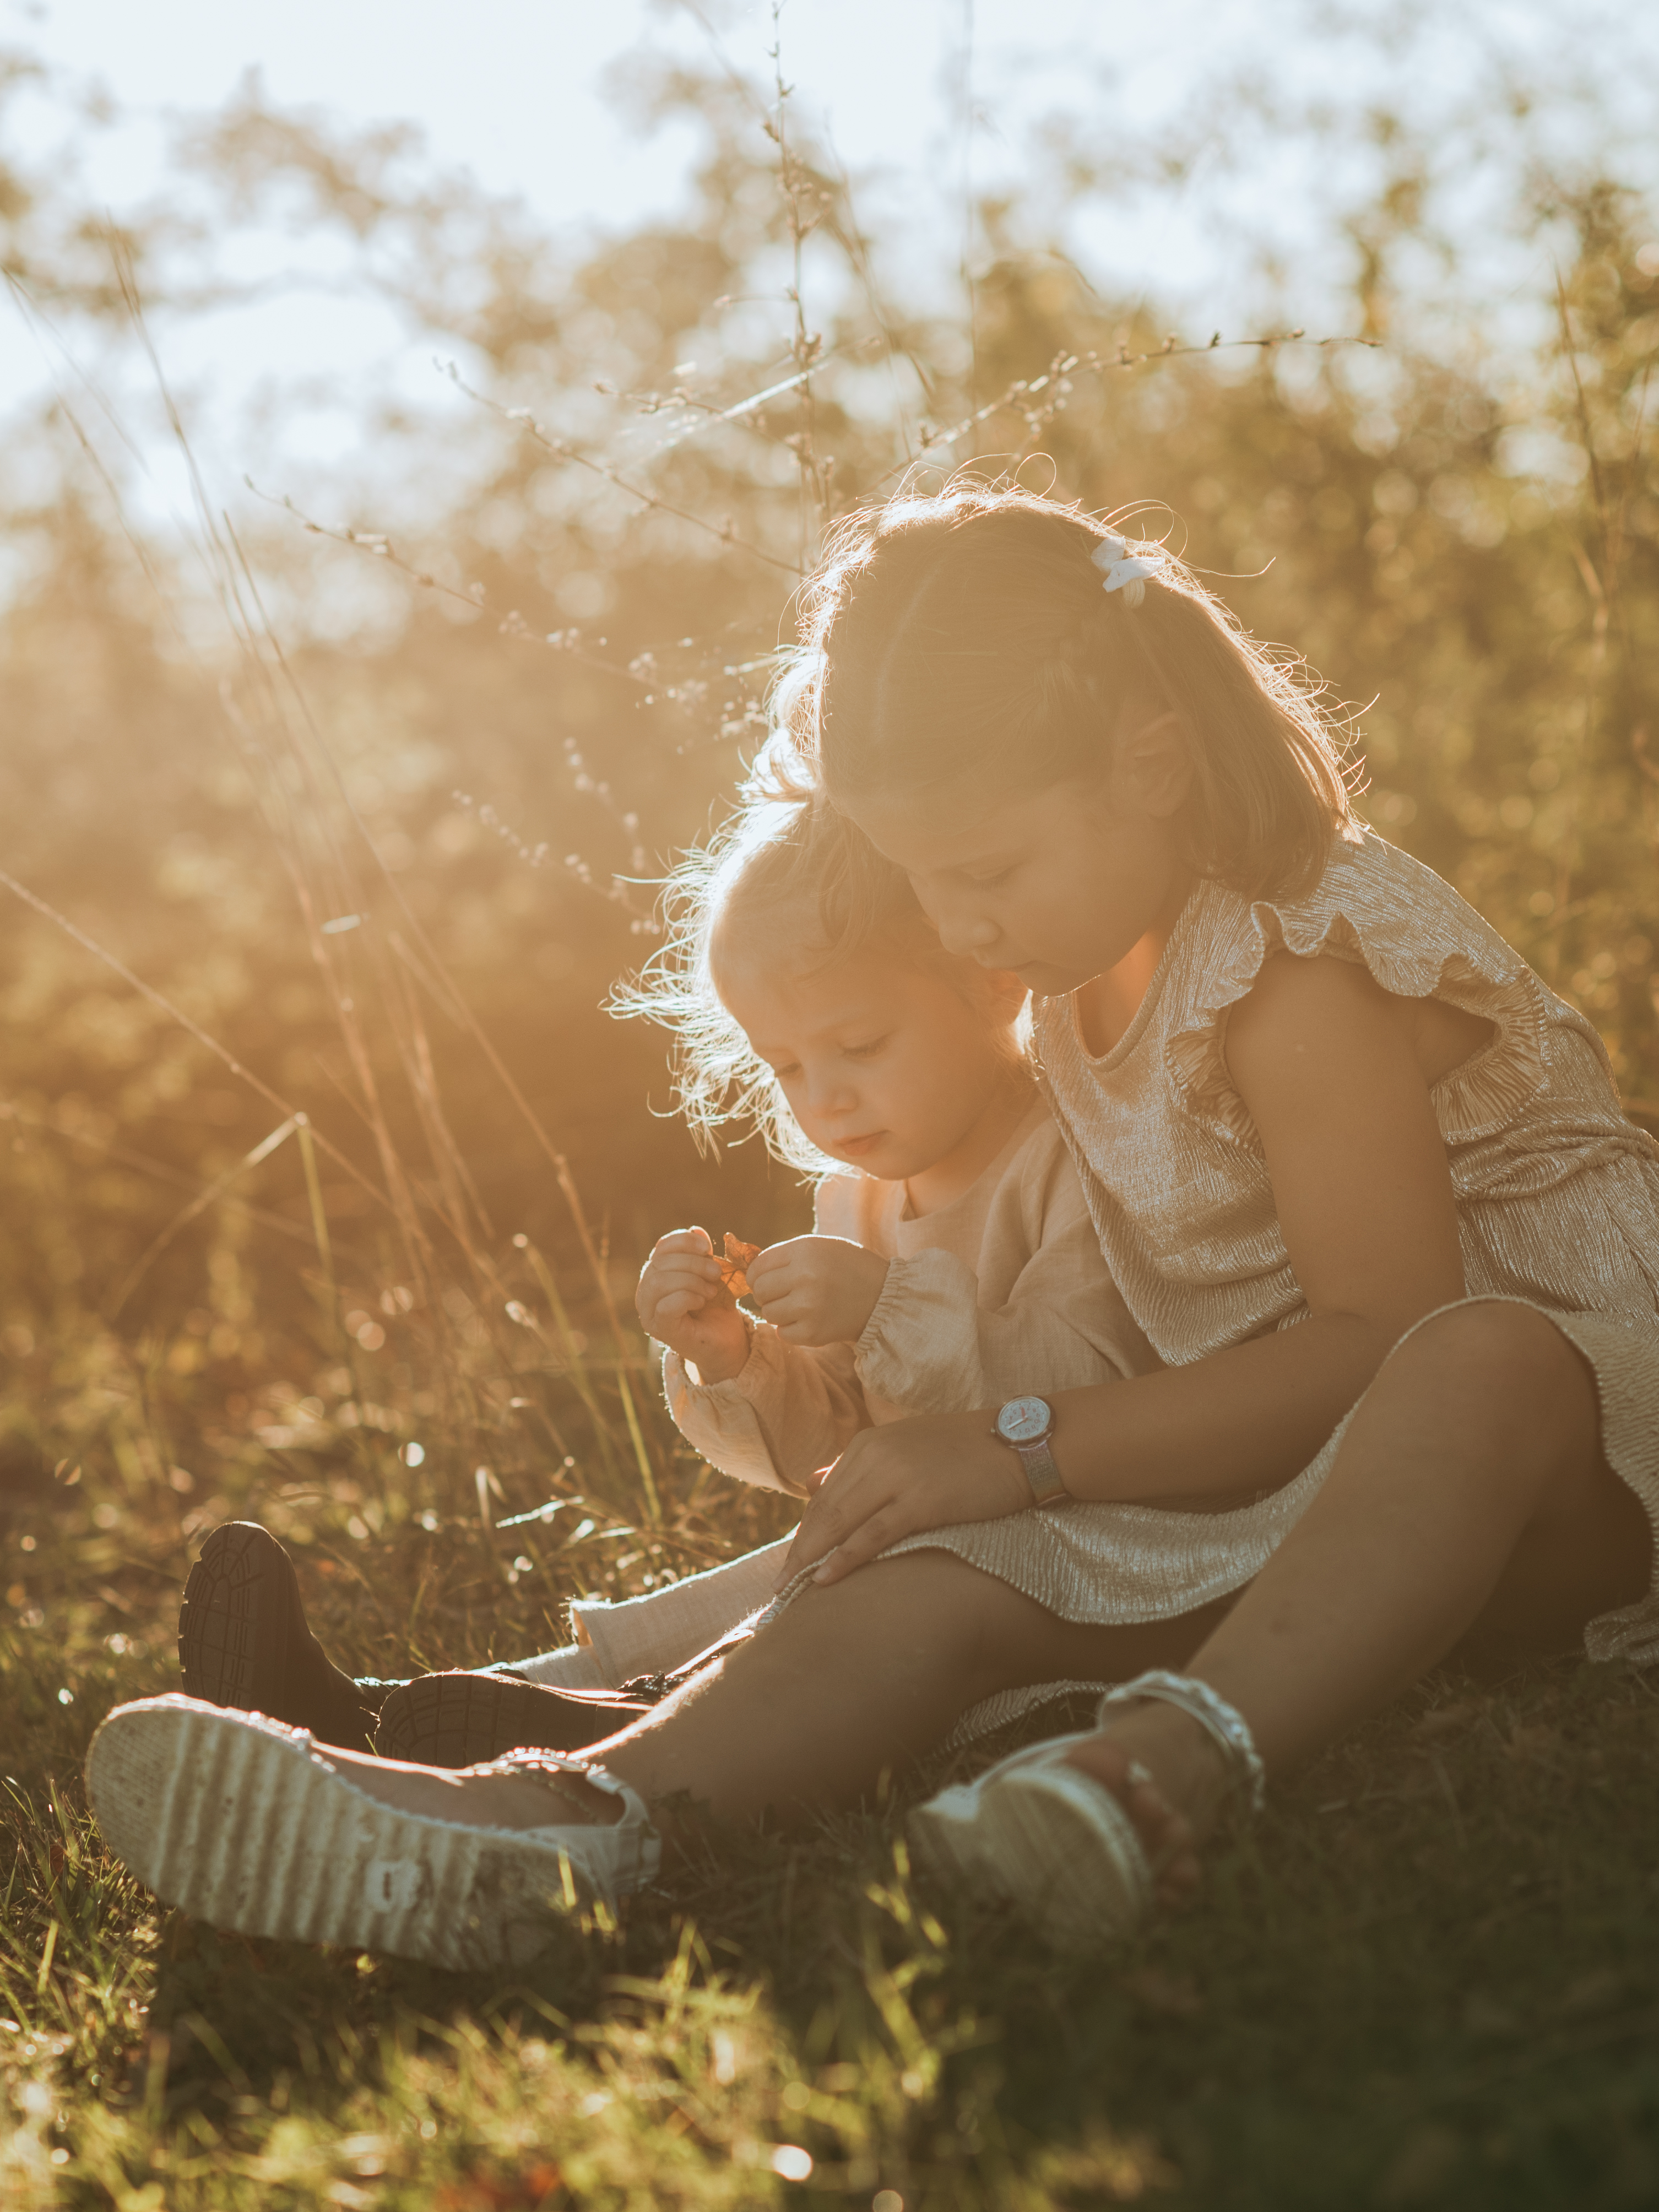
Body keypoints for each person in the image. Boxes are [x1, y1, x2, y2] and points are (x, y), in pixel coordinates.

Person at [88, 483, 1658, 1970]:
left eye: (984, 869)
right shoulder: (1079, 945)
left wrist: (1020, 1444)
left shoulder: (1296, 961)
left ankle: (1162, 1763)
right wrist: (900, 1409)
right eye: (921, 874)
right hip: (1300, 1461)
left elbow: (1382, 1338)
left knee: (1477, 1362)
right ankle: (547, 1825)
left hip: (1556, 1460)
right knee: (942, 1560)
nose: (958, 924)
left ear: (1154, 764)